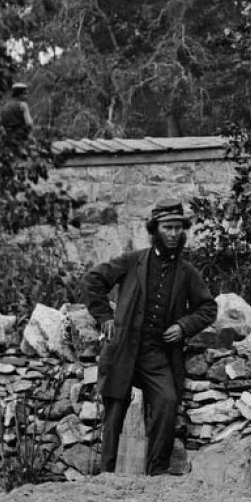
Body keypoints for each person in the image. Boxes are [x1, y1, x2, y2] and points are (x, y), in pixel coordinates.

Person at [82, 199, 217, 476]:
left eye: (179, 228)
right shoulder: (132, 261)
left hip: (158, 353)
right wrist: (105, 319)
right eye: (168, 227)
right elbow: (93, 281)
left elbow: (208, 308)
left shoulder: (187, 272)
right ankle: (106, 476)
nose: (174, 233)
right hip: (123, 348)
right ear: (155, 229)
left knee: (167, 401)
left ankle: (156, 473)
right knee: (115, 412)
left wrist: (183, 326)